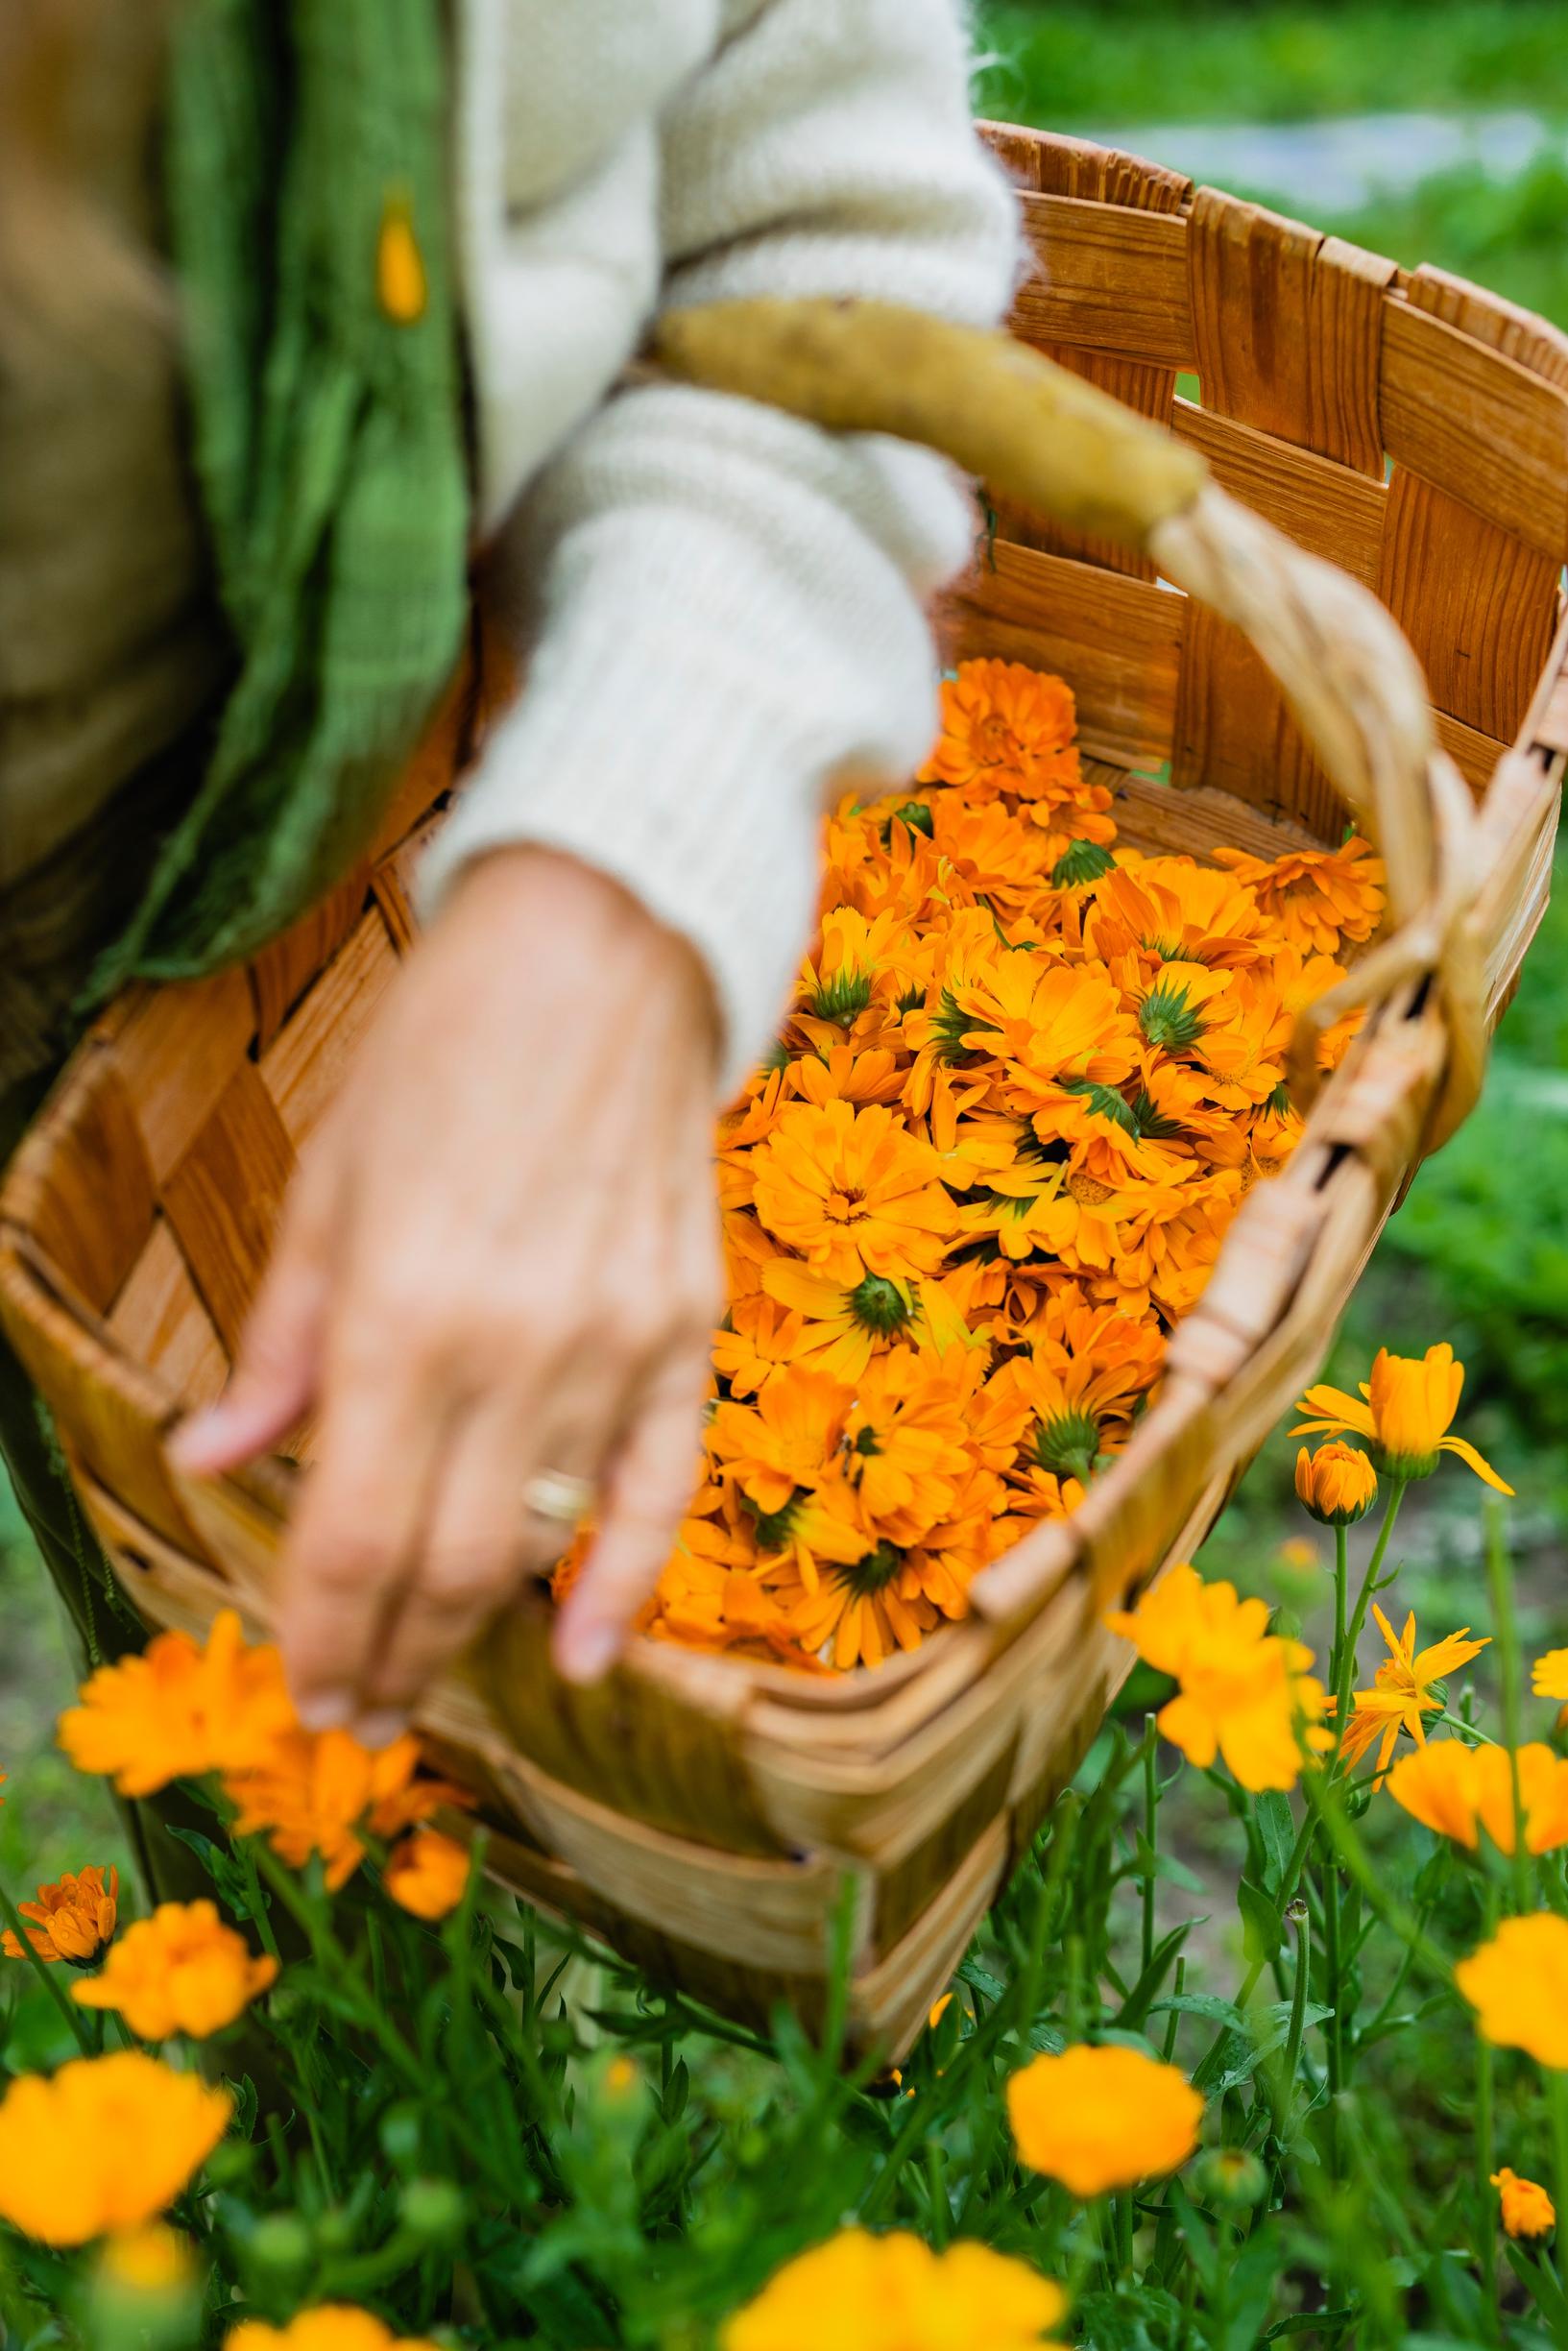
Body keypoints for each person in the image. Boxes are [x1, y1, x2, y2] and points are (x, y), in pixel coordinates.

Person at [0, 0, 1018, 1757]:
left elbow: (812, 242)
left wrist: (616, 887)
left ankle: (326, 1965)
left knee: (325, 1723)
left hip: (260, 911)